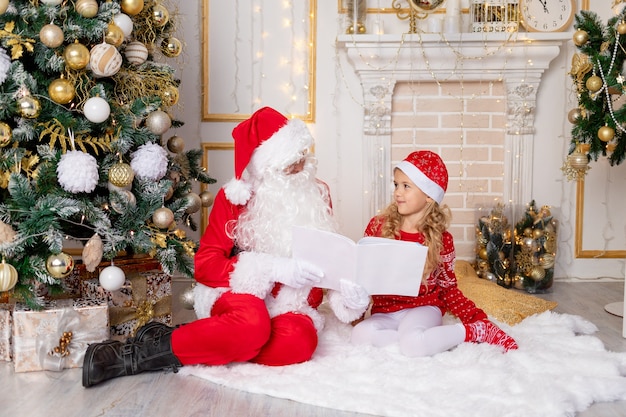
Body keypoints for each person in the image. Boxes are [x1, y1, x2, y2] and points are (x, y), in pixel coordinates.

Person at [82, 106, 370, 387]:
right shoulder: (235, 198)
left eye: (302, 156)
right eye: (289, 162)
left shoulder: (317, 192)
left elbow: (330, 260)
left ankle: (203, 338)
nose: (300, 167)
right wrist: (273, 269)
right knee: (252, 325)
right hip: (239, 296)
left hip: (291, 306)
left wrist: (346, 298)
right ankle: (132, 356)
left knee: (299, 343)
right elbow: (205, 266)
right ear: (266, 166)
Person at [350, 150, 518, 357]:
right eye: (396, 185)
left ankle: (472, 332)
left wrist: (476, 319)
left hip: (423, 308)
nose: (397, 193)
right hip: (386, 311)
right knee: (359, 335)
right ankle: (420, 343)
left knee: (413, 342)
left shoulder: (440, 239)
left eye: (406, 186)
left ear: (429, 195)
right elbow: (366, 276)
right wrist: (356, 310)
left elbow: (448, 289)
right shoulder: (378, 227)